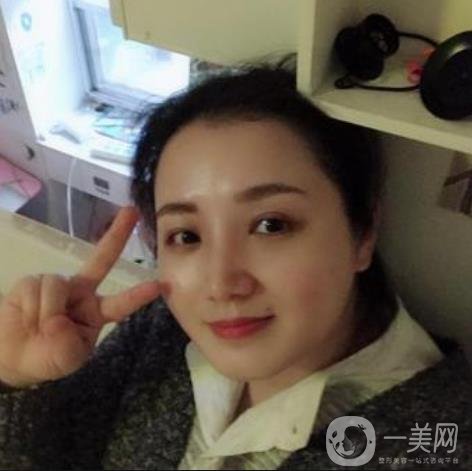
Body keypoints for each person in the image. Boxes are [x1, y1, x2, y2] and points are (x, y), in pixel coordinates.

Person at [0, 62, 470, 471]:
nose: (221, 285)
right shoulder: (160, 333)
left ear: (362, 232)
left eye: (271, 225)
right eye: (187, 236)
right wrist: (14, 377)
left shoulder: (441, 441)